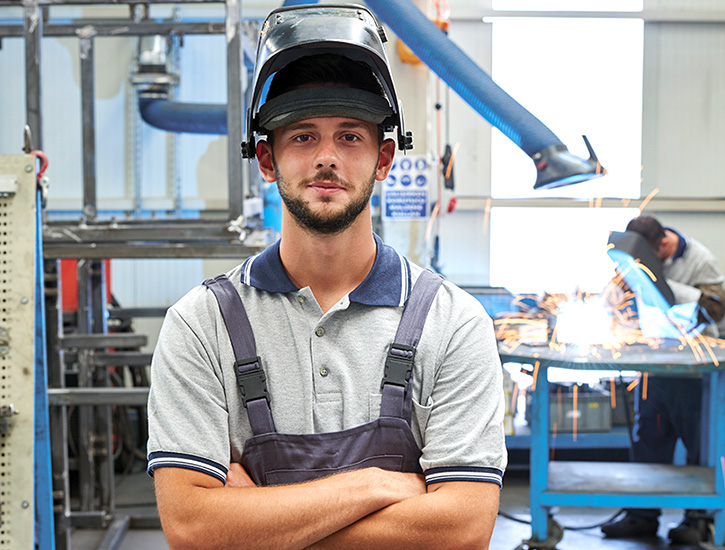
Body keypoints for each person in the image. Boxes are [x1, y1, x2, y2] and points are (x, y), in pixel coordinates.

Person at [146, 6, 507, 550]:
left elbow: (463, 529)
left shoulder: (451, 323)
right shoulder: (201, 326)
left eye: (351, 137)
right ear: (266, 160)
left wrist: (250, 517)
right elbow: (193, 528)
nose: (327, 159)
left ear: (384, 158)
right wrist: (374, 486)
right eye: (303, 137)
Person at [601, 214, 725, 545]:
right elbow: (622, 291)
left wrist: (671, 290)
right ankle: (641, 516)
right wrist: (614, 294)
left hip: (693, 369)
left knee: (700, 445)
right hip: (654, 365)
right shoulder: (638, 258)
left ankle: (698, 521)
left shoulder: (699, 258)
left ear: (664, 245)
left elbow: (717, 308)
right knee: (649, 442)